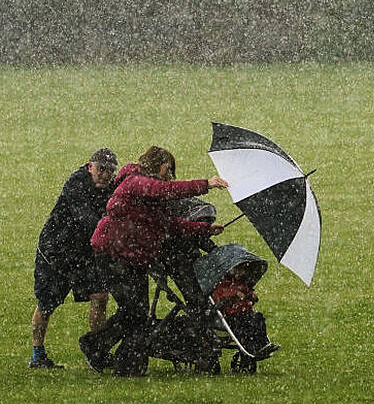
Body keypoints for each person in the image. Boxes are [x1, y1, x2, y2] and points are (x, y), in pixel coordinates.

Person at [79, 146, 228, 377]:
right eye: (169, 170)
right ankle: (104, 351)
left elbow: (170, 225)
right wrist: (206, 184)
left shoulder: (151, 197)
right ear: (161, 166)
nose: (170, 175)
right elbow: (167, 189)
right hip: (112, 255)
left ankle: (124, 363)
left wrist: (205, 229)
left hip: (134, 258)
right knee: (134, 312)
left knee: (138, 314)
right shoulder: (136, 182)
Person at [29, 148, 119, 369]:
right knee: (47, 304)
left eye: (110, 170)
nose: (105, 175)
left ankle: (96, 351)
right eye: (101, 169)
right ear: (90, 166)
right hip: (55, 254)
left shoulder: (111, 187)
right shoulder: (75, 185)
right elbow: (86, 220)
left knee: (100, 296)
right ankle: (37, 354)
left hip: (84, 254)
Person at [212, 263, 279, 359]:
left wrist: (252, 296)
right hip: (232, 317)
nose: (241, 272)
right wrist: (234, 295)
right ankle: (252, 347)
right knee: (246, 326)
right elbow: (219, 298)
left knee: (258, 318)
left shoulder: (242, 283)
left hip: (246, 313)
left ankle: (263, 344)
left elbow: (250, 297)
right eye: (238, 270)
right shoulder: (222, 285)